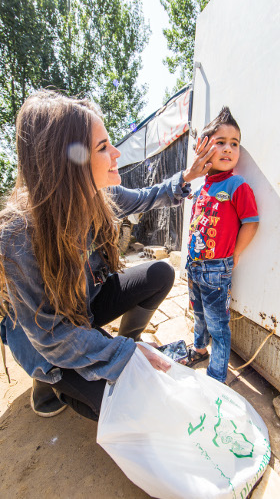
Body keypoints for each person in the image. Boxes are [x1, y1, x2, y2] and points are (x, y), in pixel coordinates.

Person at [0, 89, 214, 421]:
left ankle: (124, 347)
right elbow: (49, 335)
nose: (116, 153)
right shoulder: (17, 234)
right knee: (123, 407)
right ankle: (48, 384)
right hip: (46, 340)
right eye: (103, 147)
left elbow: (146, 196)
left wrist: (188, 177)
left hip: (84, 307)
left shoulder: (102, 194)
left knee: (160, 273)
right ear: (67, 162)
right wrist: (125, 356)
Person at [184, 107, 259, 383]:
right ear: (204, 147)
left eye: (235, 144)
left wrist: (236, 253)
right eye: (221, 142)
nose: (228, 149)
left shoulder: (237, 185)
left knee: (218, 325)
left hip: (217, 269)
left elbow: (251, 222)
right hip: (195, 266)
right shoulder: (202, 186)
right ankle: (199, 349)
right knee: (199, 314)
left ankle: (216, 377)